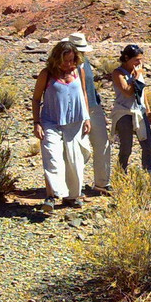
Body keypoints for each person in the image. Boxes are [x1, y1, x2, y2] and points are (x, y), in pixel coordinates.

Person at [32, 40, 92, 214]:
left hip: (75, 121)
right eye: (65, 60)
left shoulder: (78, 71)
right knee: (52, 157)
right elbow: (36, 99)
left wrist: (87, 118)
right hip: (51, 121)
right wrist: (37, 123)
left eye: (72, 60)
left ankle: (72, 196)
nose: (69, 64)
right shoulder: (47, 74)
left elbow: (84, 94)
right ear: (56, 59)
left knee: (74, 160)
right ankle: (51, 196)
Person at [66, 32, 110, 194]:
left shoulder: (85, 63)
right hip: (76, 111)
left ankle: (102, 182)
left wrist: (100, 109)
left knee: (102, 143)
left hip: (93, 107)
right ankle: (73, 187)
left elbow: (91, 88)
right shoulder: (66, 67)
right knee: (79, 149)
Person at [109, 44, 151, 176]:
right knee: (126, 147)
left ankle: (148, 175)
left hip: (139, 110)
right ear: (127, 58)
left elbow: (142, 91)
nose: (139, 63)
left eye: (140, 59)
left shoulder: (137, 71)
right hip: (124, 112)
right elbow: (127, 92)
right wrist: (135, 78)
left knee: (148, 144)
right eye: (136, 60)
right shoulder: (118, 73)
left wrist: (148, 109)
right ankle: (121, 175)